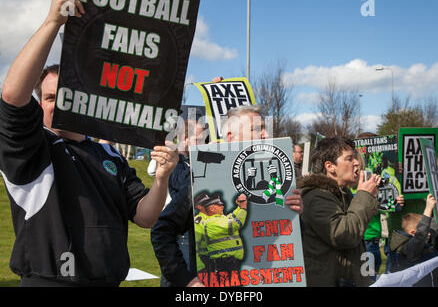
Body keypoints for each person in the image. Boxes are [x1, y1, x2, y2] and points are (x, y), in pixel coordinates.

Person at [0, 0, 178, 287]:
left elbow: (145, 217)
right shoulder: (33, 148)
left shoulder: (108, 154)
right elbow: (12, 96)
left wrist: (161, 179)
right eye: (49, 97)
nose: (58, 103)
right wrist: (52, 22)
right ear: (39, 103)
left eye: (65, 93)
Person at [151, 103, 304, 287]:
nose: (266, 135)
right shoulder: (207, 179)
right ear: (231, 137)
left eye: (265, 129)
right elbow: (162, 232)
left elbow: (288, 240)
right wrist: (186, 281)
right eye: (258, 129)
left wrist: (295, 215)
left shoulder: (276, 178)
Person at [297, 136, 381, 287]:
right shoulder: (315, 196)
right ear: (330, 167)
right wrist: (364, 196)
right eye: (349, 159)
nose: (356, 163)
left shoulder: (343, 194)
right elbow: (344, 235)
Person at [151, 119, 207, 287]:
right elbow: (183, 183)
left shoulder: (196, 162)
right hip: (181, 240)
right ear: (184, 138)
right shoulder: (175, 163)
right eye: (198, 139)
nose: (203, 143)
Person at [194, 192, 247, 279]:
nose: (222, 206)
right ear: (199, 207)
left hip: (221, 261)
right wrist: (243, 207)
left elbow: (230, 218)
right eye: (204, 203)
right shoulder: (200, 221)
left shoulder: (216, 218)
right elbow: (196, 245)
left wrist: (239, 207)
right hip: (207, 262)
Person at [389, 194, 438, 286]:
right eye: (427, 230)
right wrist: (428, 209)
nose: (429, 233)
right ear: (412, 232)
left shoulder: (425, 242)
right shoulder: (408, 249)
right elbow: (420, 235)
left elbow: (434, 227)